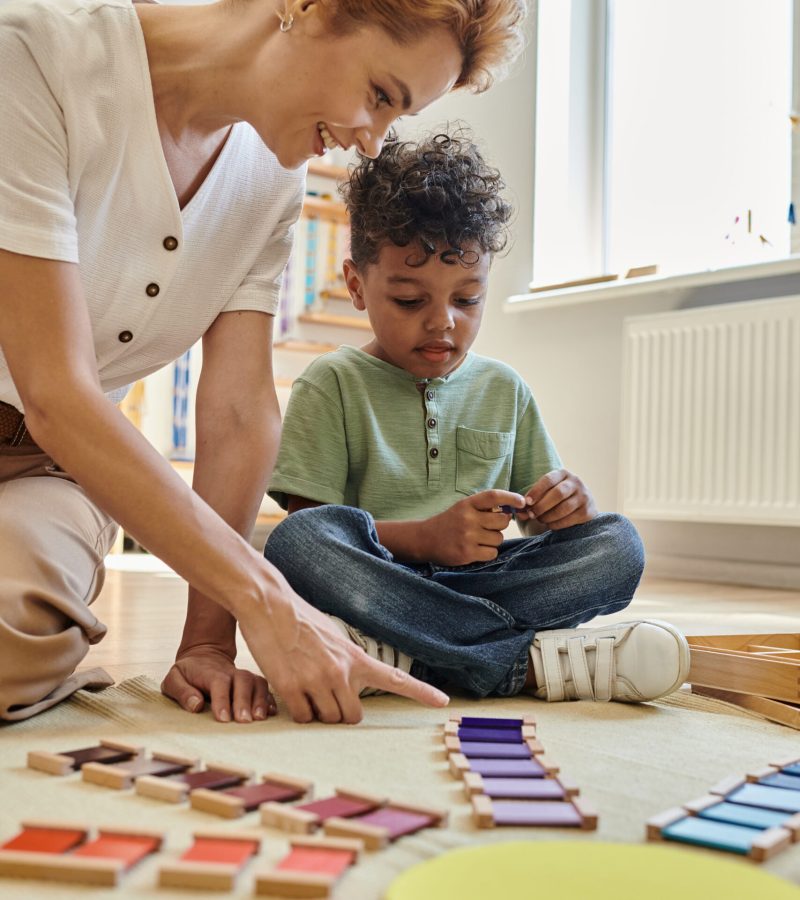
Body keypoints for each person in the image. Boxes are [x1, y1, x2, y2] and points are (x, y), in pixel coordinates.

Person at [0, 0, 528, 724]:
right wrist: (266, 597)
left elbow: (240, 411)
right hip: (59, 422)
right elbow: (56, 392)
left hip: (49, 472)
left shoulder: (270, 181)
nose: (370, 144)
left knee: (7, 643)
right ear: (303, 6)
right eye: (379, 95)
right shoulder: (33, 56)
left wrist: (208, 644)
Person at [265, 131, 690, 704]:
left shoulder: (504, 388)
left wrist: (567, 512)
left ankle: (405, 653)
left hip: (473, 588)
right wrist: (426, 539)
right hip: (381, 580)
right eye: (411, 301)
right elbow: (313, 530)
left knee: (619, 545)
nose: (443, 323)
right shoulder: (332, 383)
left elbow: (541, 528)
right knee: (296, 545)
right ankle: (522, 665)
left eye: (467, 300)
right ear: (357, 285)